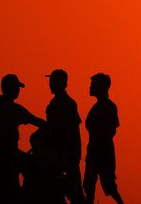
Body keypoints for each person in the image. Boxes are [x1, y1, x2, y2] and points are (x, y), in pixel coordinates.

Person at [0, 73, 45, 203]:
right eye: (16, 88)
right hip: (6, 154)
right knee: (25, 169)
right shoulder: (15, 109)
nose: (18, 91)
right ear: (10, 89)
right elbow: (36, 121)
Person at [83, 73, 124, 204]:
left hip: (103, 152)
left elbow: (111, 130)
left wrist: (100, 144)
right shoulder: (99, 106)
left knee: (108, 185)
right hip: (95, 151)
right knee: (89, 185)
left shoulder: (109, 107)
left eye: (93, 85)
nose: (90, 87)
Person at [45, 69, 85, 204]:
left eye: (52, 82)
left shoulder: (63, 104)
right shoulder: (63, 103)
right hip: (63, 151)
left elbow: (73, 130)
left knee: (73, 189)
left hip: (64, 152)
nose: (50, 84)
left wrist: (75, 154)